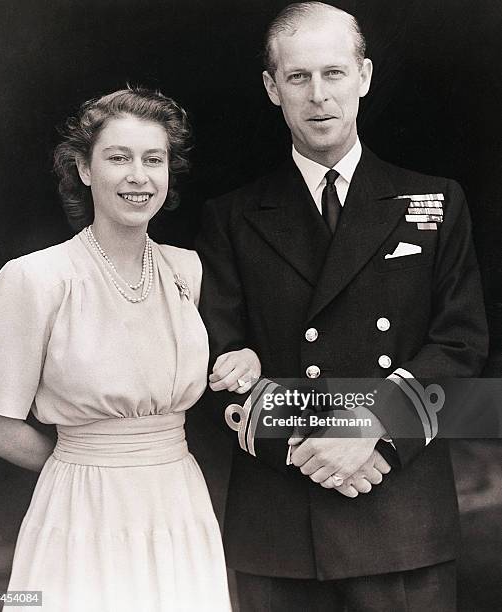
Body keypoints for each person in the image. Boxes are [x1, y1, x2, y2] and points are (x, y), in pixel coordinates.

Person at [196, 3, 488, 611]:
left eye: (334, 73)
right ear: (272, 89)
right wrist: (313, 448)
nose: (318, 95)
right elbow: (217, 359)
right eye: (298, 77)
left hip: (400, 511)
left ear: (365, 76)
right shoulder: (231, 218)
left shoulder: (436, 201)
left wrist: (371, 428)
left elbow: (462, 344)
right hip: (279, 522)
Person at [0, 87, 260, 612]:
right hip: (80, 511)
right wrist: (84, 465)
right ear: (83, 168)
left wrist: (248, 359)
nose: (138, 176)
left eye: (154, 159)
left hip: (177, 504)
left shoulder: (189, 272)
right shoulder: (35, 278)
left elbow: (236, 363)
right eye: (118, 157)